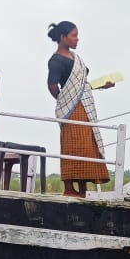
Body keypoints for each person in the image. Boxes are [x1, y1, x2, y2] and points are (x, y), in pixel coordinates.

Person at [46, 21, 113, 198]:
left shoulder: (75, 58)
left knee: (86, 145)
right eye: (74, 35)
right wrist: (64, 100)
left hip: (84, 106)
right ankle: (69, 187)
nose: (77, 39)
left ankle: (82, 188)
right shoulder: (56, 60)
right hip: (71, 108)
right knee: (72, 144)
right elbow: (52, 85)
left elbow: (82, 85)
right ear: (63, 37)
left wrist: (102, 86)